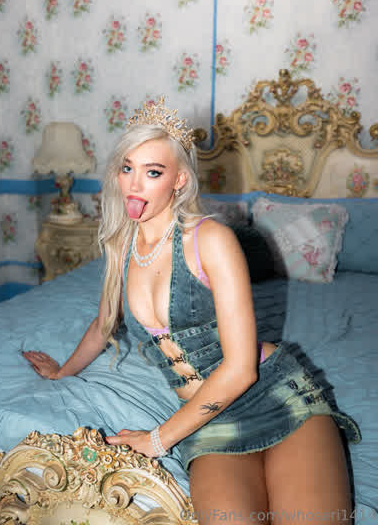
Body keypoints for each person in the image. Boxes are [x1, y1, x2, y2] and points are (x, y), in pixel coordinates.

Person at [23, 98, 361, 524]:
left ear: (179, 180)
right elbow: (104, 323)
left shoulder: (211, 239)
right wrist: (62, 372)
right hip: (207, 418)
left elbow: (241, 370)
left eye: (153, 172)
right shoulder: (122, 244)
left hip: (275, 396)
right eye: (127, 168)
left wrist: (157, 439)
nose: (134, 185)